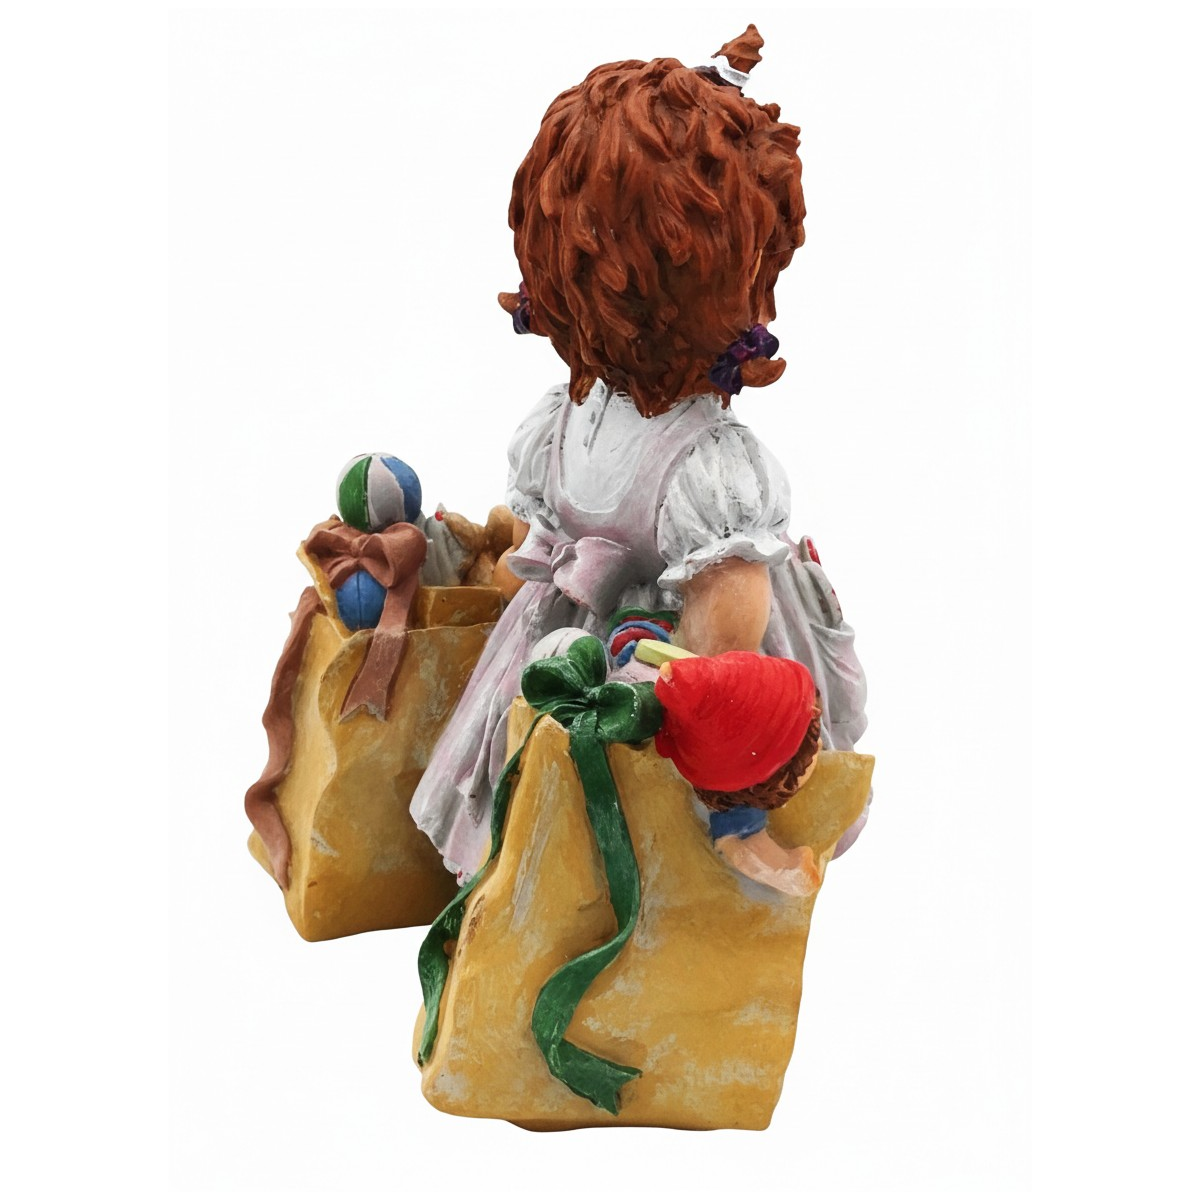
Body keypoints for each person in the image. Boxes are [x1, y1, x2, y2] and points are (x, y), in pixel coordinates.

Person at [410, 26, 868, 893]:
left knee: (588, 846)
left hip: (638, 667)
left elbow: (719, 639)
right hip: (602, 665)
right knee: (569, 839)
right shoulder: (608, 432)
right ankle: (610, 876)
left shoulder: (665, 453)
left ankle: (707, 842)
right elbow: (541, 557)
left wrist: (644, 689)